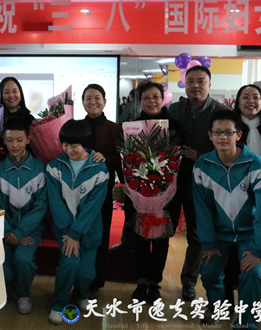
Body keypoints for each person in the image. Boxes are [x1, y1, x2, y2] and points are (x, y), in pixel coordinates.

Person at [193, 110, 261, 329]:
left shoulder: (257, 166)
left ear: (238, 135)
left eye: (228, 132)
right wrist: (209, 243)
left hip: (250, 235)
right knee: (208, 273)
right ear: (210, 135)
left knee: (252, 274)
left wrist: (260, 250)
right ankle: (219, 307)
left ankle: (246, 321)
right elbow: (202, 209)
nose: (223, 137)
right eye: (217, 132)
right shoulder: (202, 166)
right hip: (219, 234)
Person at [167, 65, 229, 301]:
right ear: (185, 84)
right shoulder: (174, 110)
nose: (195, 85)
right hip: (172, 180)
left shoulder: (221, 112)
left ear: (209, 84)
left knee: (197, 235)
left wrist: (200, 155)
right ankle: (151, 281)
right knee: (163, 230)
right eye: (190, 81)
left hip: (205, 183)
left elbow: (229, 147)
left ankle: (189, 281)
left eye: (201, 81)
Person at [46, 120, 109, 325]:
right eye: (65, 144)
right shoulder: (54, 167)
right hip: (65, 231)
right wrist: (69, 234)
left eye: (74, 145)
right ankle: (58, 304)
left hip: (90, 231)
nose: (69, 150)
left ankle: (83, 294)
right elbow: (56, 203)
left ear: (85, 143)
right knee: (69, 266)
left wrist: (77, 232)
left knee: (86, 273)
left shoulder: (100, 168)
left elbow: (94, 206)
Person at [127, 82, 182, 304]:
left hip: (167, 194)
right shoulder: (131, 126)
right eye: (146, 98)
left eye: (155, 97)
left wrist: (165, 186)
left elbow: (179, 159)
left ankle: (154, 283)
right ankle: (141, 282)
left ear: (163, 99)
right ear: (140, 101)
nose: (151, 101)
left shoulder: (175, 126)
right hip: (138, 192)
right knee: (140, 238)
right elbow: (126, 159)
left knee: (161, 240)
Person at [0, 118, 47, 315]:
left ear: (28, 140)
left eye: (19, 140)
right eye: (10, 140)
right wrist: (9, 231)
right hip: (5, 229)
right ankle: (8, 287)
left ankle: (23, 294)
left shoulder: (40, 169)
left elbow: (41, 206)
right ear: (4, 141)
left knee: (23, 259)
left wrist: (20, 231)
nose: (14, 145)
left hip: (30, 229)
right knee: (5, 270)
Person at [233, 84, 261, 298]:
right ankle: (237, 277)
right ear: (238, 102)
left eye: (255, 97)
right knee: (238, 236)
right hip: (235, 192)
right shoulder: (230, 129)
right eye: (245, 97)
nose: (251, 101)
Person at [80, 84, 123, 295]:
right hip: (77, 191)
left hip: (102, 191)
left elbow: (122, 160)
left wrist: (107, 159)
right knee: (80, 233)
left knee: (101, 235)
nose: (93, 102)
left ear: (105, 101)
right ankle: (79, 278)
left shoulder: (115, 129)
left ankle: (96, 282)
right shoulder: (76, 127)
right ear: (82, 102)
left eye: (97, 98)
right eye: (88, 98)